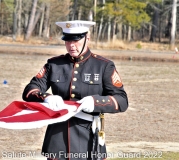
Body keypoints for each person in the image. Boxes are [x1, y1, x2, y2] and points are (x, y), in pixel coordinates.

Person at [22, 20, 128, 160]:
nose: (71, 45)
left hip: (89, 140)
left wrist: (95, 102)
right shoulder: (54, 64)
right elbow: (30, 90)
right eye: (67, 41)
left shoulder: (103, 66)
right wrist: (46, 97)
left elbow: (122, 100)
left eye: (76, 40)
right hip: (57, 140)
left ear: (87, 38)